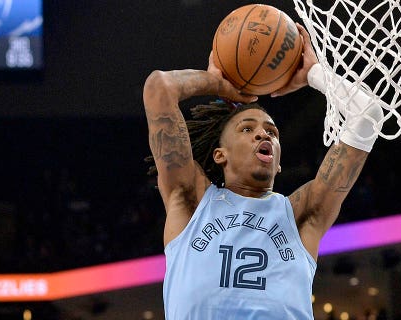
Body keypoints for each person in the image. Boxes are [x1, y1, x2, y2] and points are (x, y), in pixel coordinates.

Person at [142, 24, 382, 319]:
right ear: (220, 155)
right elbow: (159, 88)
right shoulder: (191, 201)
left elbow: (368, 116)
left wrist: (314, 74)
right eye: (247, 129)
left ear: (278, 162)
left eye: (272, 132)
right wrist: (215, 83)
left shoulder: (300, 214)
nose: (263, 135)